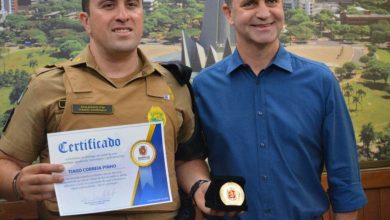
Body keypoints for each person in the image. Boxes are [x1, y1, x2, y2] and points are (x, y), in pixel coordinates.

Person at [0, 0, 211, 219]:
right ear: (86, 21)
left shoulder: (173, 85)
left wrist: (199, 185)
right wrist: (18, 182)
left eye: (131, 5)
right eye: (108, 5)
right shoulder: (48, 86)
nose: (123, 15)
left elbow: (186, 159)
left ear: (141, 14)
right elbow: (5, 162)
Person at [191, 0, 368, 219]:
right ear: (228, 14)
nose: (264, 13)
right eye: (250, 4)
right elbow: (190, 157)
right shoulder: (204, 86)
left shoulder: (320, 81)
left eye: (272, 2)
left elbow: (344, 176)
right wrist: (200, 184)